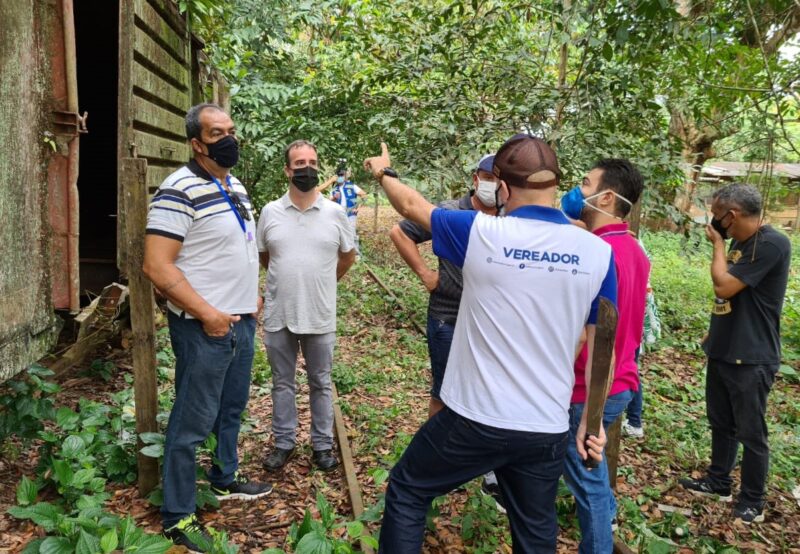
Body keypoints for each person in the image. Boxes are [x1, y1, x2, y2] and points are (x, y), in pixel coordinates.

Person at [364, 136, 614, 553]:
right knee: (535, 533)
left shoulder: (482, 232)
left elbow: (410, 207)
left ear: (501, 185)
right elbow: (601, 341)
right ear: (555, 185)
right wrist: (592, 422)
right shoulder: (597, 252)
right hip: (546, 426)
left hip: (475, 418)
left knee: (408, 489)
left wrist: (383, 172)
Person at [143, 103, 272, 552]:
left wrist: (249, 296)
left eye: (231, 130)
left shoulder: (233, 184)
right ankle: (178, 515)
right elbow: (157, 266)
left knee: (231, 407)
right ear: (197, 143)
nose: (228, 139)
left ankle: (224, 477)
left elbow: (235, 246)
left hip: (240, 320)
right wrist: (209, 314)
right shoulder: (177, 189)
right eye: (217, 133)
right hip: (204, 327)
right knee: (192, 421)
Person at [680, 183, 791, 524]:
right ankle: (718, 481)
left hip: (752, 355)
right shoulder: (744, 244)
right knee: (721, 422)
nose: (714, 222)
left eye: (717, 215)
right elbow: (732, 299)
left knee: (750, 433)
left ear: (732, 215)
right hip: (725, 349)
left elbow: (723, 285)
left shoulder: (771, 243)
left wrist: (717, 245)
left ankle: (753, 500)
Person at [560, 159, 650, 553]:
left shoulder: (594, 253)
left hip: (589, 387)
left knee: (588, 483)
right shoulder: (633, 249)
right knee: (590, 474)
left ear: (607, 197)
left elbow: (583, 332)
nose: (577, 191)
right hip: (623, 382)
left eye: (585, 183)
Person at [258, 140, 356, 473]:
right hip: (279, 313)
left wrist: (322, 284)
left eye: (312, 162)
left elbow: (347, 257)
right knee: (282, 383)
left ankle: (322, 446)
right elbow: (265, 257)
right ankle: (284, 443)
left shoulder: (335, 213)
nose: (307, 168)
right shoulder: (270, 212)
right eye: (299, 163)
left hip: (320, 313)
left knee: (320, 382)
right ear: (287, 170)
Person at [388, 154, 500, 419]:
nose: (493, 185)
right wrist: (425, 274)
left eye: (499, 180)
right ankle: (436, 454)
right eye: (488, 178)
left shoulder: (509, 218)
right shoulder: (451, 212)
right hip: (448, 316)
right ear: (476, 180)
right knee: (443, 392)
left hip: (489, 321)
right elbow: (400, 232)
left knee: (481, 392)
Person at [330, 167, 368, 256]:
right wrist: (334, 198)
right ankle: (342, 253)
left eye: (342, 175)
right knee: (339, 233)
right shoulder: (334, 189)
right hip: (338, 213)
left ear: (345, 176)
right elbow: (329, 202)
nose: (341, 177)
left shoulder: (351, 185)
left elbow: (364, 195)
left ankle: (356, 254)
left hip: (351, 212)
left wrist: (358, 207)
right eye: (339, 175)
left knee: (352, 232)